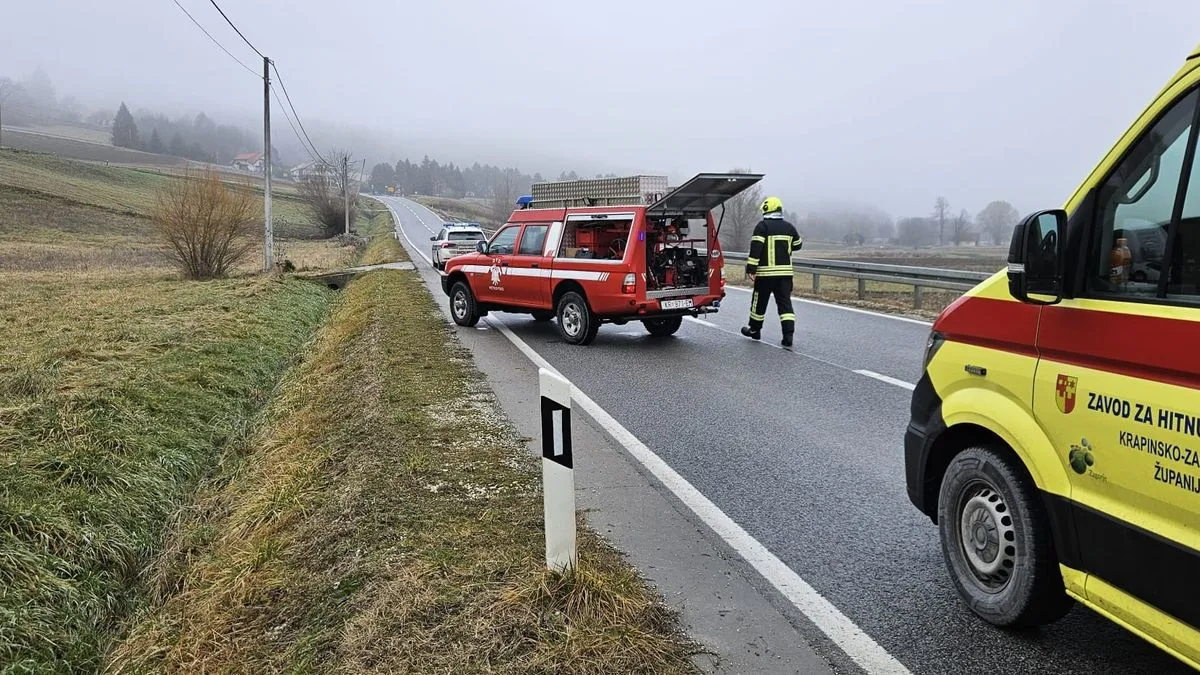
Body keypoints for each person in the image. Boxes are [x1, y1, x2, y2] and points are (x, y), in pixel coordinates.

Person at [740, 196, 803, 347]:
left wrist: (751, 269)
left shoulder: (762, 227)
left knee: (759, 303)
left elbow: (756, 248)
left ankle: (755, 330)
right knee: (785, 305)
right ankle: (788, 337)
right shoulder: (789, 227)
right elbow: (798, 245)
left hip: (765, 274)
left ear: (767, 210)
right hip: (785, 275)